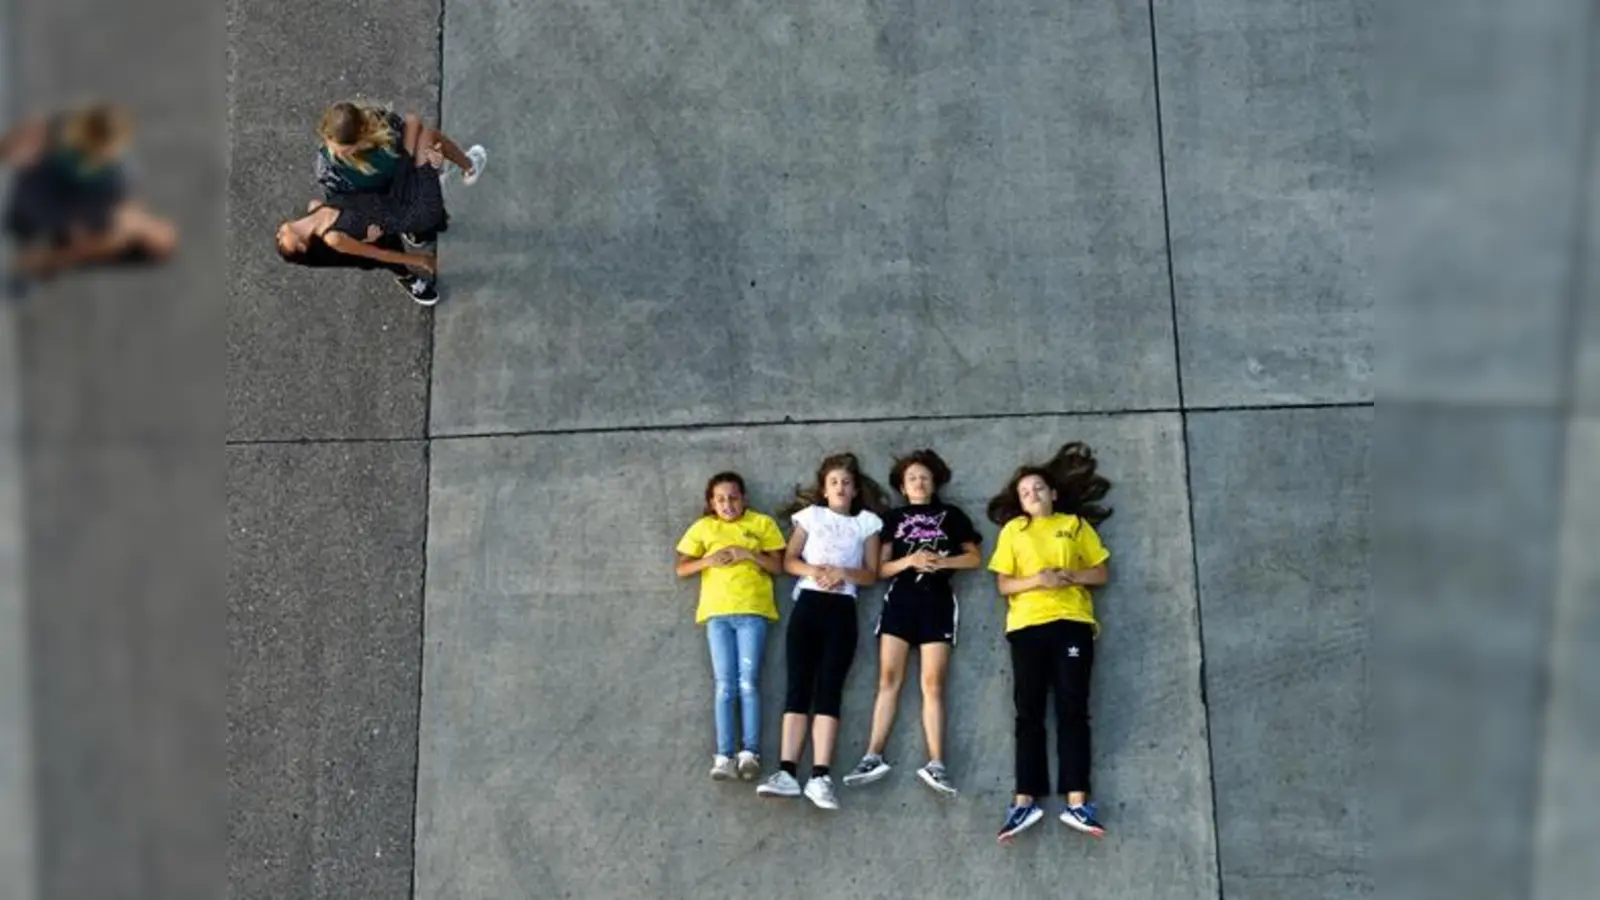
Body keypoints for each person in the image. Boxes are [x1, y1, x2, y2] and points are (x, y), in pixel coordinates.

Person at [986, 442, 1114, 843]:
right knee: (1029, 713)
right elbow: (1004, 583)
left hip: (1072, 623)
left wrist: (1068, 576)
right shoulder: (1013, 531)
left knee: (1073, 709)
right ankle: (1024, 802)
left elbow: (1102, 573)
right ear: (1020, 503)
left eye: (1038, 488)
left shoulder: (1075, 525)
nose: (1033, 495)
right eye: (1025, 492)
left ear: (1053, 493)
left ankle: (1078, 801)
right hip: (1026, 627)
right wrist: (1038, 580)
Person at [840, 449, 981, 796]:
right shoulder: (893, 517)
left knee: (933, 684)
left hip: (937, 603)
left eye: (925, 477)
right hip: (900, 603)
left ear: (934, 484)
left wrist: (943, 562)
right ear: (903, 487)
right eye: (912, 478)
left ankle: (936, 763)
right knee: (888, 679)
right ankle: (873, 755)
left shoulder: (951, 515)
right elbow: (879, 570)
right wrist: (910, 561)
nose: (919, 482)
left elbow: (975, 558)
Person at [754, 452, 887, 810]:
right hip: (808, 605)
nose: (840, 487)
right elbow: (789, 561)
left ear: (856, 489)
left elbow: (872, 573)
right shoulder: (811, 516)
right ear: (824, 490)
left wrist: (843, 573)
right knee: (799, 685)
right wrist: (815, 571)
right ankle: (786, 772)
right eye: (833, 482)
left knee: (829, 688)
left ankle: (820, 776)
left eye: (846, 482)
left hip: (842, 610)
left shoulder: (867, 523)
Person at [673, 472, 787, 782]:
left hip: (753, 612)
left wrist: (748, 553)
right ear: (711, 503)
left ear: (744, 498)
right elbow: (682, 567)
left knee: (748, 682)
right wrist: (708, 561)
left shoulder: (761, 524)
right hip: (717, 615)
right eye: (720, 499)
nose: (728, 504)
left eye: (733, 497)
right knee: (724, 685)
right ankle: (724, 755)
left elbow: (779, 566)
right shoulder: (704, 527)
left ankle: (749, 752)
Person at [0, 102, 177, 297]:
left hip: (32, 217)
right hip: (28, 194)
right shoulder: (121, 180)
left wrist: (42, 261)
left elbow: (76, 250)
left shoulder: (118, 186)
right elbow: (36, 131)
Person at [277, 123, 453, 304]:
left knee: (415, 130)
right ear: (301, 247)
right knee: (424, 147)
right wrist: (420, 260)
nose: (278, 236)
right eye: (282, 244)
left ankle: (417, 233)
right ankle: (407, 277)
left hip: (390, 200)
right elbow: (377, 255)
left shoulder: (315, 206)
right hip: (403, 214)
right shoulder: (333, 238)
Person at [315, 101, 486, 198]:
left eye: (343, 151)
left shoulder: (328, 170)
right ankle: (469, 166)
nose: (334, 155)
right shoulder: (329, 172)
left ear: (361, 136)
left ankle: (468, 166)